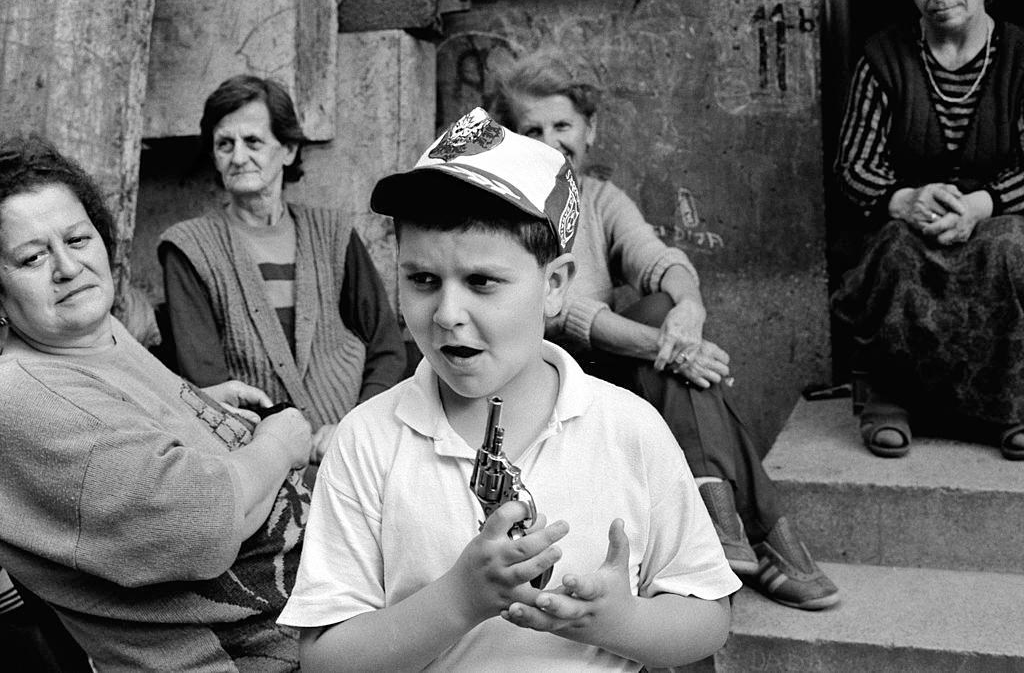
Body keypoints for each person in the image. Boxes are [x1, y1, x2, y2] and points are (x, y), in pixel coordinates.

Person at [277, 108, 742, 671]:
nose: (448, 313)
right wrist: (458, 600)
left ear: (553, 287)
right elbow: (325, 659)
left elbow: (709, 618)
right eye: (422, 280)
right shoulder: (366, 442)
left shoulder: (630, 427)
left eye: (481, 282)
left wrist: (622, 622)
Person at [485, 51, 839, 610]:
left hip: (616, 372)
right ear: (513, 139)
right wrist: (673, 351)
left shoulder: (599, 200)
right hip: (550, 378)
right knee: (661, 337)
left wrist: (689, 309)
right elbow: (562, 316)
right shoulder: (505, 213)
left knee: (660, 305)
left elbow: (659, 259)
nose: (550, 140)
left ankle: (721, 510)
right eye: (532, 129)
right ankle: (767, 531)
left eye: (563, 125)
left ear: (589, 129)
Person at [0, 134, 313, 670]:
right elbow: (204, 523)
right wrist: (279, 443)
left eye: (77, 239)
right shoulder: (19, 397)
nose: (68, 268)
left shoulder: (91, 331)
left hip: (307, 602)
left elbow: (106, 433)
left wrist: (194, 406)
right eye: (32, 258)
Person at [160, 74, 406, 461]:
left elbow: (387, 348)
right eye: (225, 144)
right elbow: (209, 382)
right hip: (259, 457)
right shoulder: (189, 248)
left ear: (288, 149)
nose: (238, 157)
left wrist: (354, 426)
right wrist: (284, 447)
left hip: (355, 448)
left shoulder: (333, 232)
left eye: (253, 142)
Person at [832, 0, 1024, 459]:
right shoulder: (883, 57)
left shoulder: (1020, 57)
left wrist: (983, 204)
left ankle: (1013, 406)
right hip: (911, 218)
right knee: (896, 249)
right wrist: (905, 200)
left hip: (995, 215)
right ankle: (892, 399)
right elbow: (853, 166)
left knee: (1009, 247)